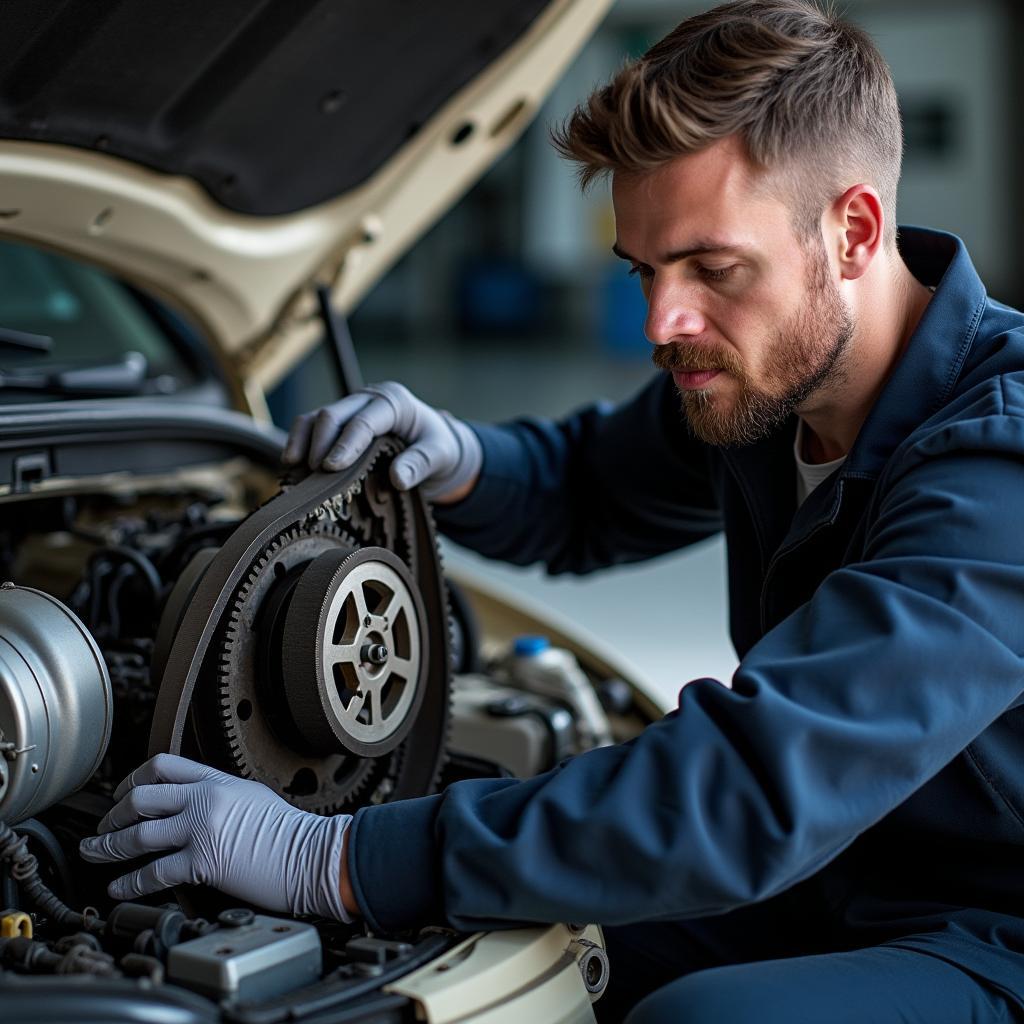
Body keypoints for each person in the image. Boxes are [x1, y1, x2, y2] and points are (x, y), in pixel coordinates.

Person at [79, 2, 1024, 1020]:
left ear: (853, 231)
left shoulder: (996, 461)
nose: (665, 325)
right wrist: (452, 459)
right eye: (644, 270)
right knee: (500, 939)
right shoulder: (767, 377)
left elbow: (749, 789)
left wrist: (334, 856)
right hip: (843, 865)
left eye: (711, 268)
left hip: (989, 922)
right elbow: (587, 490)